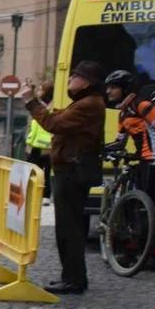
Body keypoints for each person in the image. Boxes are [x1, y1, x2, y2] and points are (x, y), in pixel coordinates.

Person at [23, 60, 106, 295]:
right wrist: (38, 101)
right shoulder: (86, 102)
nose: (70, 80)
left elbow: (54, 123)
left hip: (72, 171)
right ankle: (72, 276)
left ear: (86, 82)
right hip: (71, 168)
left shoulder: (88, 104)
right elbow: (58, 117)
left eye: (75, 77)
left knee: (68, 228)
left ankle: (73, 279)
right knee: (71, 226)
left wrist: (31, 103)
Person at [102, 68, 155, 273]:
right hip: (142, 160)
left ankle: (153, 255)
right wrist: (101, 149)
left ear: (124, 89)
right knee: (133, 208)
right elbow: (120, 142)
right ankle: (131, 249)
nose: (109, 92)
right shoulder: (123, 113)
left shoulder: (143, 105)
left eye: (113, 87)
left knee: (151, 209)